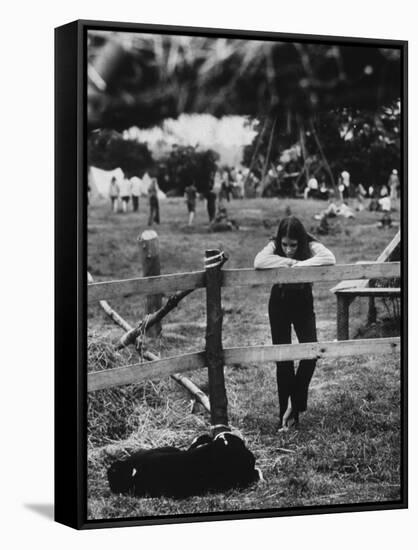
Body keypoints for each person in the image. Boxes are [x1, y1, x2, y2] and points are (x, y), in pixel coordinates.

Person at [254, 216, 336, 431]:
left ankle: (295, 403)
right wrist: (288, 262)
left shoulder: (310, 243)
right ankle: (286, 417)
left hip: (302, 301)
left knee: (311, 353)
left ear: (300, 240)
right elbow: (259, 261)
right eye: (284, 245)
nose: (288, 249)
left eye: (293, 245)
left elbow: (329, 258)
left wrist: (300, 265)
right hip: (279, 302)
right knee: (283, 359)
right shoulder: (274, 243)